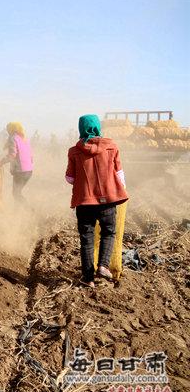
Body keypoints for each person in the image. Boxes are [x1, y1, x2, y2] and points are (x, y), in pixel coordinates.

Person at [65, 114, 129, 288]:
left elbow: (69, 179)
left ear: (81, 129)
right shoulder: (112, 147)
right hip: (108, 200)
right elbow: (119, 175)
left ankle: (88, 278)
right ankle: (103, 266)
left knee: (86, 237)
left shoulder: (74, 151)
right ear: (98, 127)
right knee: (108, 232)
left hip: (84, 202)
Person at [0, 122, 33, 203]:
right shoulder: (24, 138)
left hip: (20, 171)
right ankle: (17, 212)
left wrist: (1, 162)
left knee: (16, 193)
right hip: (29, 171)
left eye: (8, 129)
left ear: (11, 129)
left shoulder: (12, 138)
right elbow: (31, 156)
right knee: (17, 193)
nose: (8, 131)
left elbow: (12, 155)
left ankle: (29, 211)